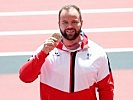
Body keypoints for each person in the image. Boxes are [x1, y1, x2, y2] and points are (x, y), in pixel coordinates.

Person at [19, 4, 114, 100]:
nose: (69, 26)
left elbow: (106, 89)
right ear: (59, 24)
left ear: (81, 23)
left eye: (74, 22)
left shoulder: (98, 53)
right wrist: (42, 54)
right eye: (65, 22)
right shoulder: (46, 50)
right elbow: (25, 77)